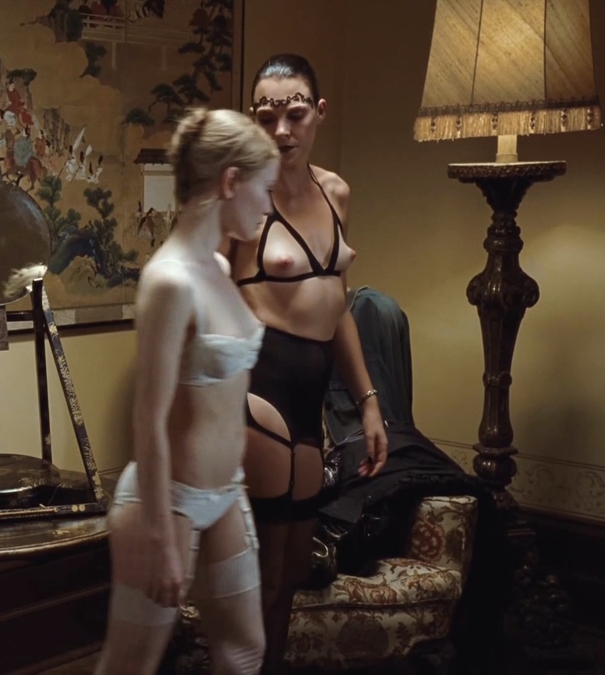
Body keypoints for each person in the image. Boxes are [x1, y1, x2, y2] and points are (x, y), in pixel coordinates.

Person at [94, 108, 279, 675]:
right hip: (166, 501)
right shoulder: (169, 280)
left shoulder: (218, 264)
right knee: (130, 666)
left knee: (245, 652)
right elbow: (148, 419)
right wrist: (160, 536)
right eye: (265, 189)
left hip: (226, 493)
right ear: (231, 181)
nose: (268, 206)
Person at [225, 53, 389, 673]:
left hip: (312, 391)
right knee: (266, 568)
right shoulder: (240, 197)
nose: (281, 131)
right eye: (267, 118)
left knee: (294, 569)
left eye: (294, 115)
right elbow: (203, 295)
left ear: (318, 112)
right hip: (259, 383)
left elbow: (336, 305)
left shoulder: (335, 191)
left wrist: (368, 401)